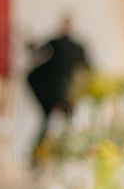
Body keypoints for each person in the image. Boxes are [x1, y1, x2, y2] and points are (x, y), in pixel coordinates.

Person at [26, 14, 90, 164]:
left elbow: (86, 70)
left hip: (64, 91)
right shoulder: (58, 43)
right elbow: (36, 52)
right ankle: (42, 155)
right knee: (51, 121)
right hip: (51, 90)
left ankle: (61, 154)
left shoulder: (76, 47)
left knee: (58, 122)